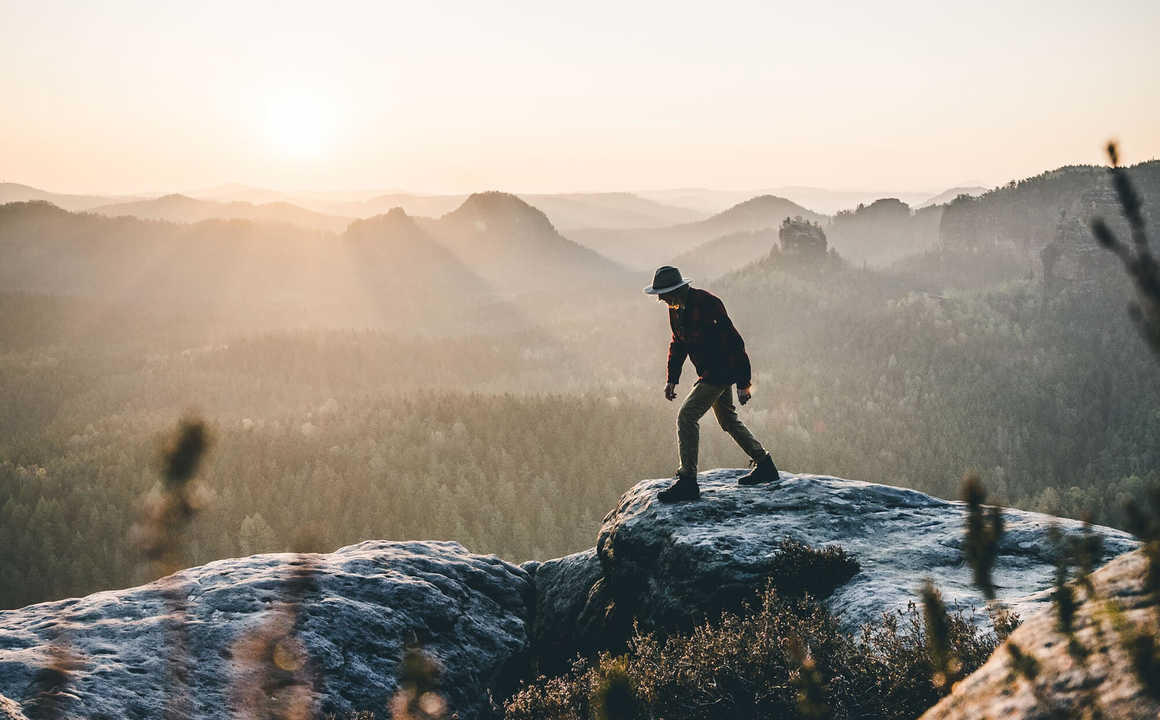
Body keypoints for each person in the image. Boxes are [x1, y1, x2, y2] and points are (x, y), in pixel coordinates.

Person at [643, 265, 778, 502]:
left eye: (662, 295)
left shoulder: (708, 305)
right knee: (727, 419)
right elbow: (678, 343)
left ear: (675, 290)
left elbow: (734, 342)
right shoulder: (676, 309)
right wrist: (672, 379)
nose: (661, 300)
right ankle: (765, 464)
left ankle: (688, 481)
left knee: (687, 416)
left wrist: (743, 382)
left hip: (721, 371)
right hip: (708, 371)